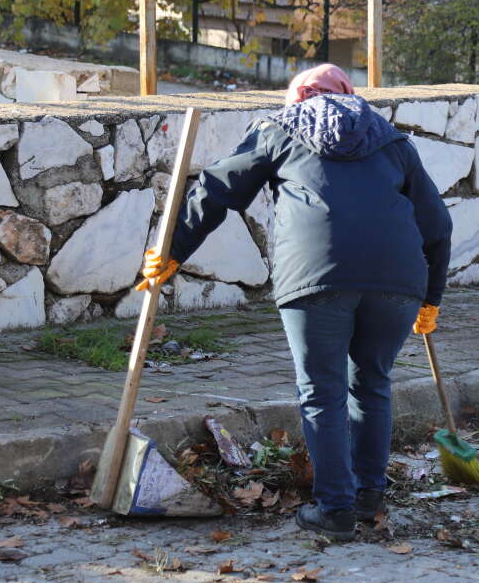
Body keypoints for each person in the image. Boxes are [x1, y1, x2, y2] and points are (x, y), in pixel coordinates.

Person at [138, 63, 453, 540]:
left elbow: (218, 189)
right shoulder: (394, 142)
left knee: (322, 392)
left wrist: (175, 249)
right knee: (371, 383)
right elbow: (437, 226)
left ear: (300, 94)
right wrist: (431, 297)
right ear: (350, 94)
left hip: (315, 276)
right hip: (397, 282)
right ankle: (368, 497)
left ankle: (335, 510)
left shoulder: (278, 130)